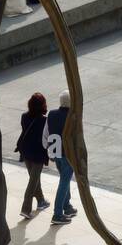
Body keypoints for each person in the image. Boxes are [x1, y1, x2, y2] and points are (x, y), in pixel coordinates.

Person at [15, 92, 51, 217]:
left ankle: (41, 201)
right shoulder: (45, 121)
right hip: (38, 153)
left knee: (34, 178)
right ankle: (25, 209)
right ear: (43, 105)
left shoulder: (24, 116)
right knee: (33, 181)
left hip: (25, 151)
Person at [45, 92, 77, 224]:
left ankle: (66, 206)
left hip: (55, 151)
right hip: (68, 153)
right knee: (64, 182)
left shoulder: (51, 114)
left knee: (65, 180)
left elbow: (46, 133)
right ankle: (57, 214)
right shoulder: (72, 116)